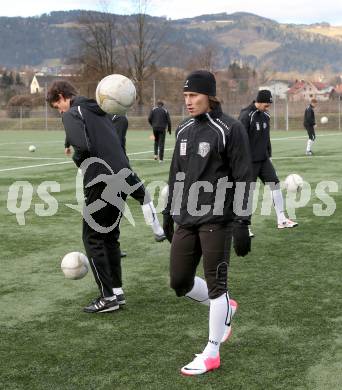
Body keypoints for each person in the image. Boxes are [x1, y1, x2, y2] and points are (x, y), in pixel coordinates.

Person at [162, 70, 253, 375]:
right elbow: (176, 174)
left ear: (210, 97)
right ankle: (227, 306)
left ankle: (212, 351)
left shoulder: (230, 128)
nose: (188, 101)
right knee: (179, 282)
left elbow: (243, 176)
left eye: (194, 96)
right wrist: (167, 212)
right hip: (186, 219)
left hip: (217, 219)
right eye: (185, 96)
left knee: (217, 286)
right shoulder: (184, 129)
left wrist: (242, 221)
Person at [47, 80, 159, 313]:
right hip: (121, 177)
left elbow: (83, 145)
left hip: (100, 180)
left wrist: (78, 160)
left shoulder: (73, 113)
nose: (59, 111)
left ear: (61, 96)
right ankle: (116, 292)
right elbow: (116, 148)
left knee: (93, 238)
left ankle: (107, 297)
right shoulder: (101, 112)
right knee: (109, 238)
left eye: (57, 106)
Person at [239, 90, 298, 230]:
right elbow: (239, 141)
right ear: (258, 101)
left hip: (264, 160)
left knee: (275, 185)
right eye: (266, 104)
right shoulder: (246, 115)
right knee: (247, 192)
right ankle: (244, 227)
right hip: (249, 162)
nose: (268, 107)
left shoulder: (265, 115)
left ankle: (282, 220)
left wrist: (269, 155)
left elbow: (266, 138)